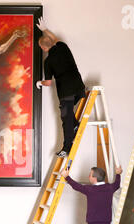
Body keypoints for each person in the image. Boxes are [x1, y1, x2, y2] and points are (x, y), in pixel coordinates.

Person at [36, 17, 85, 158]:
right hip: (79, 88)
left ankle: (66, 148)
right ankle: (75, 125)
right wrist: (45, 29)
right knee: (69, 116)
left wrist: (39, 83)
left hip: (66, 92)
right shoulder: (63, 46)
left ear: (44, 48)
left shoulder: (48, 61)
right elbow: (54, 38)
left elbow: (48, 83)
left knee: (65, 119)